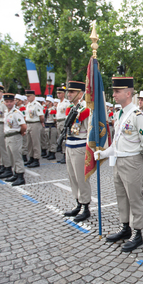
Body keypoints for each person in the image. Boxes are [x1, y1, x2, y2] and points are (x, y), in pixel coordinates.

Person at [94, 77, 143, 252]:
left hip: (132, 161)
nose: (114, 94)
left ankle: (138, 232)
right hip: (118, 160)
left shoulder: (136, 115)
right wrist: (104, 153)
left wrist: (138, 158)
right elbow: (117, 142)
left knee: (135, 198)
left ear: (128, 93)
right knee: (121, 196)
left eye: (117, 91)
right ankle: (125, 227)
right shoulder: (119, 114)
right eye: (114, 91)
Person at [62, 81, 92, 222]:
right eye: (68, 92)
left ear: (80, 94)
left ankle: (86, 206)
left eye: (72, 92)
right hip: (69, 145)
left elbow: (89, 131)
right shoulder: (70, 108)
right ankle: (78, 203)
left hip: (80, 146)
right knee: (72, 177)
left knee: (81, 178)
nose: (69, 94)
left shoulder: (86, 109)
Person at [1, 93, 26, 185]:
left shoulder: (16, 113)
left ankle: (20, 176)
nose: (9, 103)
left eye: (11, 101)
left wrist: (21, 132)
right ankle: (15, 173)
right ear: (4, 103)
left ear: (14, 102)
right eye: (7, 102)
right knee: (11, 156)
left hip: (15, 136)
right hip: (8, 136)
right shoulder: (7, 112)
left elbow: (23, 126)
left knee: (17, 157)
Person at [24, 90, 45, 168]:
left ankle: (36, 159)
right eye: (27, 96)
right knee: (29, 143)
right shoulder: (28, 105)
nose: (28, 98)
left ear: (33, 96)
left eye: (29, 96)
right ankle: (31, 157)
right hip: (28, 123)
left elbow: (41, 117)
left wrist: (40, 123)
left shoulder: (37, 105)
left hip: (35, 123)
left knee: (35, 142)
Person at [56, 86, 70, 164]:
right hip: (58, 122)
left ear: (64, 93)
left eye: (60, 93)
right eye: (58, 93)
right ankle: (63, 154)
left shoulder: (66, 103)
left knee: (64, 139)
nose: (58, 95)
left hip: (64, 122)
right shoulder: (59, 103)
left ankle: (65, 156)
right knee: (61, 138)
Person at [44, 96, 58, 160]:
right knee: (47, 140)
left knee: (52, 140)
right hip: (46, 126)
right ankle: (49, 152)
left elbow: (54, 119)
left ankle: (52, 153)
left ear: (50, 103)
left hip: (51, 126)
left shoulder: (53, 109)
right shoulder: (46, 109)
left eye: (47, 101)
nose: (46, 103)